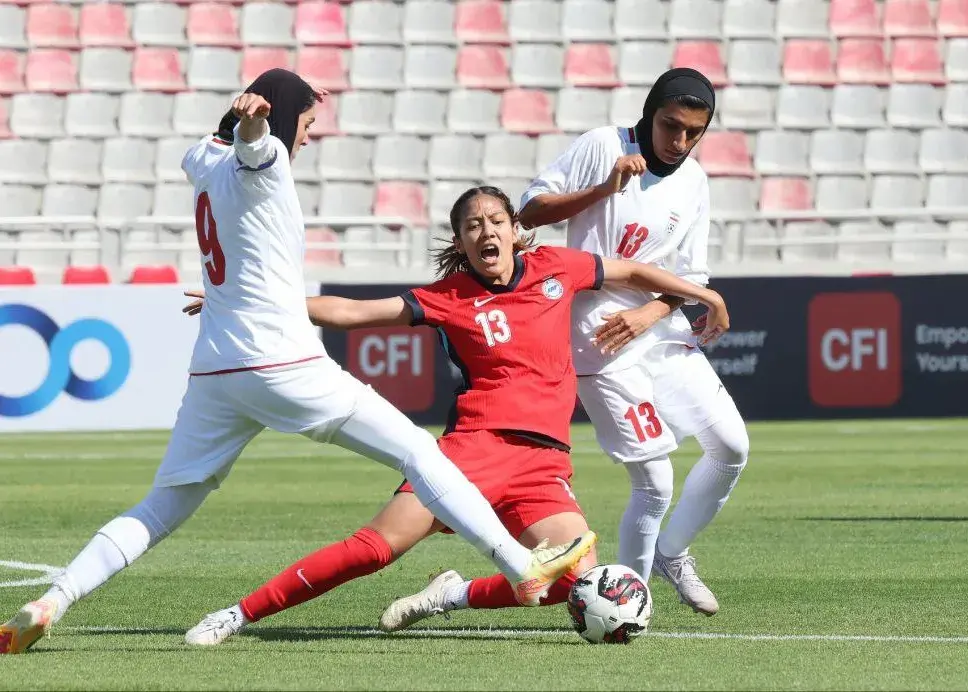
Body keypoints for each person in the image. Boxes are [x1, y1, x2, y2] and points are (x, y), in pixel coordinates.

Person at [0, 72, 593, 655]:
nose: (307, 137)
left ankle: (56, 597)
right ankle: (520, 566)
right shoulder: (267, 160)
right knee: (422, 452)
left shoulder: (201, 162)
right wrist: (259, 120)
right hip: (280, 360)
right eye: (306, 123)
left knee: (161, 506)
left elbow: (208, 147)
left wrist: (252, 115)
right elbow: (259, 147)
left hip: (216, 368)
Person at [181, 185, 729, 644]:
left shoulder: (557, 267)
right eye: (472, 225)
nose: (485, 231)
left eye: (495, 220)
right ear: (461, 241)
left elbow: (633, 271)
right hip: (471, 453)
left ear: (516, 229)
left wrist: (703, 295)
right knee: (374, 550)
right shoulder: (450, 297)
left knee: (571, 582)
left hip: (543, 465)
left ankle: (453, 593)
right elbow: (350, 313)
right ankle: (237, 614)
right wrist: (248, 304)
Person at [517, 68, 751, 616]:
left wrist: (654, 310)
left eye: (696, 132)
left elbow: (693, 275)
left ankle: (673, 553)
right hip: (599, 338)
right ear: (650, 115)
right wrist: (605, 189)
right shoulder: (603, 145)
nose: (682, 141)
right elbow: (528, 211)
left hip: (657, 329)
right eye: (672, 126)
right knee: (655, 481)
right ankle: (624, 607)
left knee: (732, 447)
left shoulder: (695, 180)